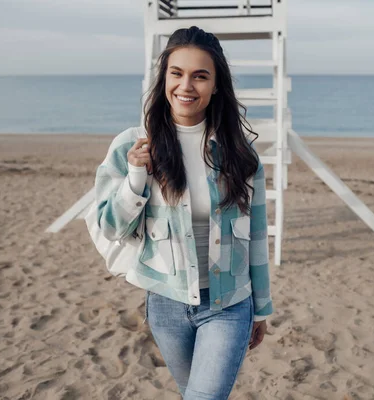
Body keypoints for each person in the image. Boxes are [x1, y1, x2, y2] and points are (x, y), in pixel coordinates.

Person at [94, 26, 273, 399]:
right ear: (164, 80)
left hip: (230, 304)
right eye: (176, 73)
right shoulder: (131, 144)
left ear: (216, 86)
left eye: (200, 76)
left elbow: (257, 236)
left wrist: (261, 309)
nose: (186, 86)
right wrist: (137, 174)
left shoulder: (241, 156)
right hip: (165, 304)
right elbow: (110, 226)